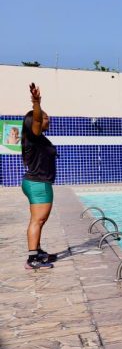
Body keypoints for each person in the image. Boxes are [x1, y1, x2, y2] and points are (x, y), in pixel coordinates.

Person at [21, 83, 58, 269]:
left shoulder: (37, 139)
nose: (47, 118)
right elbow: (35, 120)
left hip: (35, 182)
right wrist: (36, 102)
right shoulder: (33, 135)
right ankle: (32, 259)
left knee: (39, 220)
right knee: (38, 220)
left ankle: (37, 251)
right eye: (44, 117)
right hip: (38, 184)